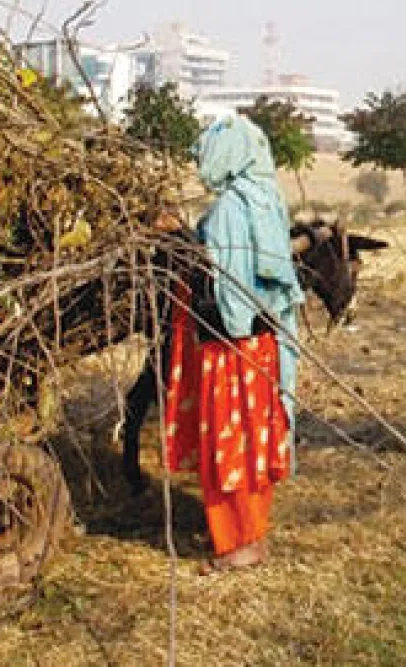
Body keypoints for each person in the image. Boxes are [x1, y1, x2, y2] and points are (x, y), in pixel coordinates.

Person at [158, 114, 305, 570]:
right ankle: (253, 534)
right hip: (264, 345)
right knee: (255, 437)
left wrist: (175, 236)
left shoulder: (227, 212)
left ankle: (238, 544)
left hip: (230, 345)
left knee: (229, 442)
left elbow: (220, 281)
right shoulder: (268, 200)